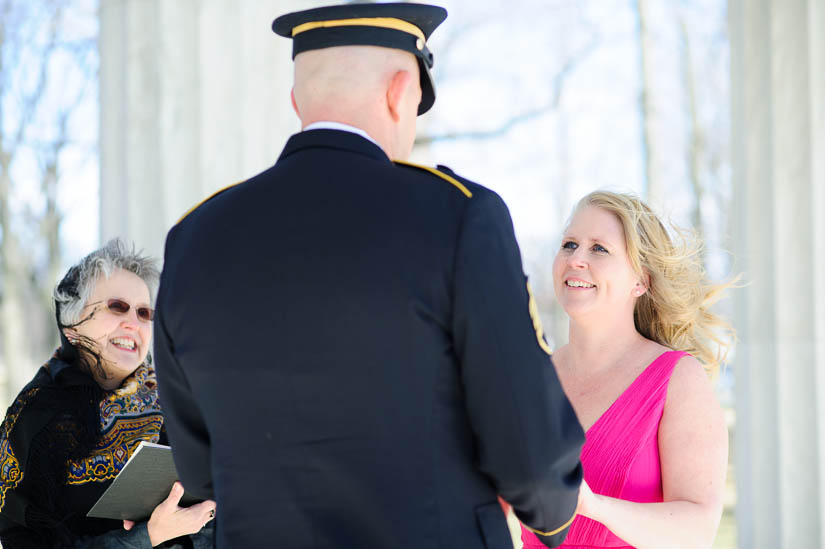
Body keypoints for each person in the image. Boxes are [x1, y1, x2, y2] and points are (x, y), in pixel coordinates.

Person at [153, 3, 584, 548]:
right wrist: (553, 516)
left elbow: (203, 470)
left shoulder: (194, 238)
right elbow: (531, 453)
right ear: (400, 92)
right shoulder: (457, 216)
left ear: (296, 101)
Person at [521, 191, 733, 548]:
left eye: (599, 249)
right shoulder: (533, 377)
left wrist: (593, 507)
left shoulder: (677, 379)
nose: (576, 259)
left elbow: (698, 531)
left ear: (641, 281)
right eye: (569, 244)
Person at [0, 239, 216, 548]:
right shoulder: (34, 418)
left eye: (144, 313)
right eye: (118, 307)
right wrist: (149, 536)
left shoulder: (177, 401)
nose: (133, 324)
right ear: (72, 323)